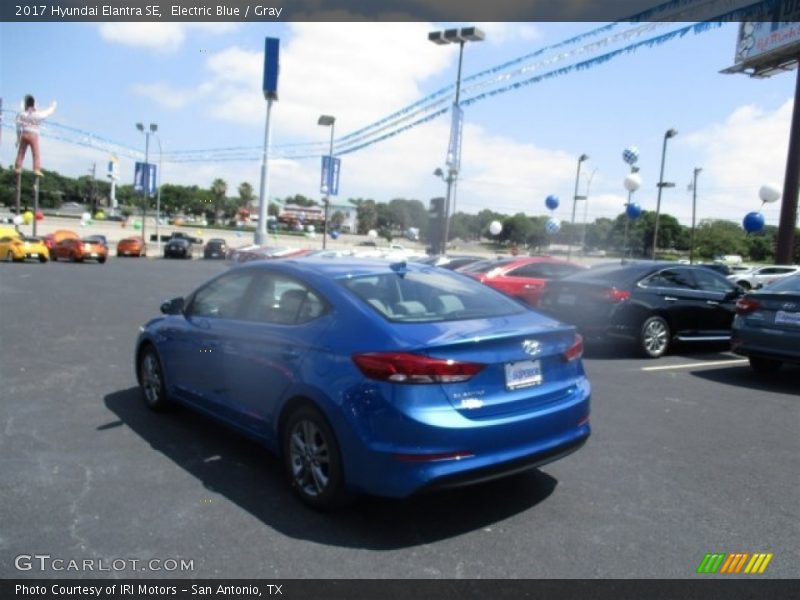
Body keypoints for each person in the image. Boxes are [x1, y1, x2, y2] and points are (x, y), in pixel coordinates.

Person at [15, 94, 57, 177]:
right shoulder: (37, 115)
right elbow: (48, 112)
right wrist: (53, 106)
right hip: (34, 135)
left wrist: (18, 139)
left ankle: (18, 168)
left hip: (24, 134)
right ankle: (36, 169)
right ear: (34, 104)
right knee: (36, 154)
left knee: (21, 152)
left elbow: (18, 127)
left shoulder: (21, 114)